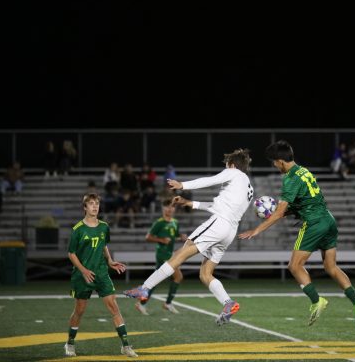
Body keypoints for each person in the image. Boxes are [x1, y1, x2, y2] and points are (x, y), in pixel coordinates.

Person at [238, 140, 355, 328]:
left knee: (294, 266)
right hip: (328, 220)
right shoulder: (304, 171)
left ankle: (316, 301)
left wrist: (256, 230)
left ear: (281, 161)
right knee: (331, 267)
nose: (274, 166)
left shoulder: (290, 178)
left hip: (314, 223)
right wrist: (283, 211)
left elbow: (281, 212)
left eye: (274, 162)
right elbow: (303, 202)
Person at [124, 148, 254, 326]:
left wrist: (182, 185)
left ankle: (145, 288)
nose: (225, 167)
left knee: (181, 253)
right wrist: (189, 203)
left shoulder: (233, 172)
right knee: (205, 273)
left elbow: (209, 181)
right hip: (229, 231)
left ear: (232, 165)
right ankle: (228, 303)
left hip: (219, 224)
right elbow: (219, 205)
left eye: (226, 165)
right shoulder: (248, 186)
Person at [64, 193, 137, 358]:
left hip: (102, 273)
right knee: (79, 310)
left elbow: (103, 245)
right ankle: (69, 343)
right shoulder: (77, 229)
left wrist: (110, 261)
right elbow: (71, 253)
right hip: (83, 276)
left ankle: (125, 345)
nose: (95, 206)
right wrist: (83, 270)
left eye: (96, 203)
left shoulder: (104, 226)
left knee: (114, 307)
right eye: (91, 204)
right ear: (85, 208)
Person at [135, 199, 187, 315]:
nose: (170, 209)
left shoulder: (175, 222)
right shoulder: (159, 223)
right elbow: (148, 237)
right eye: (167, 207)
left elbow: (175, 236)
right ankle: (167, 303)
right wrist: (161, 240)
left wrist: (181, 237)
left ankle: (143, 303)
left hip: (170, 254)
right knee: (178, 276)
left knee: (156, 280)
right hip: (162, 254)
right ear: (163, 209)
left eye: (172, 207)